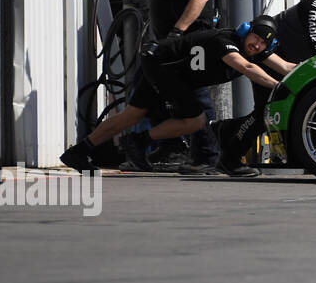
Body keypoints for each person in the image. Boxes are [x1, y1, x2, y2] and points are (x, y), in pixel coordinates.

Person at [60, 17, 295, 177]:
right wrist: (278, 87)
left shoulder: (252, 49)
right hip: (162, 67)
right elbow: (248, 69)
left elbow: (286, 66)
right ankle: (139, 141)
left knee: (131, 115)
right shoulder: (226, 43)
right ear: (246, 31)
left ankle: (78, 152)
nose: (257, 45)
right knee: (196, 120)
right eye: (255, 37)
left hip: (164, 69)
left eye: (263, 43)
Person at [144, 0, 220, 169]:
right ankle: (171, 147)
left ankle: (208, 155)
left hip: (190, 41)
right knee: (165, 94)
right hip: (169, 43)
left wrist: (178, 32)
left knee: (196, 96)